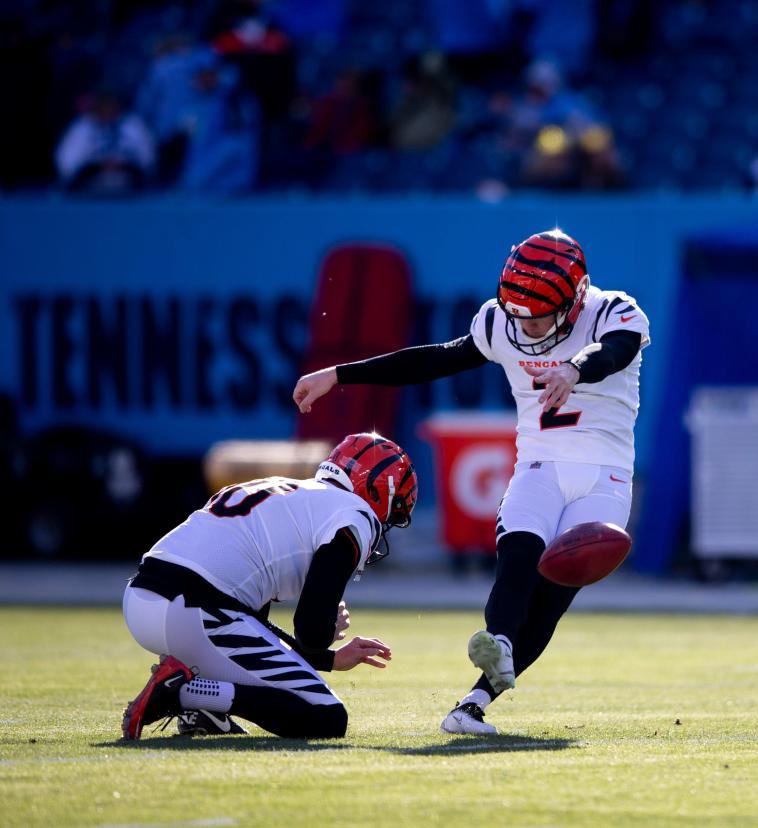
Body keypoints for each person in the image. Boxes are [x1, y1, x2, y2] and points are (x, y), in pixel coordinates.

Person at [292, 229, 650, 735]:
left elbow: (614, 350)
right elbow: (436, 358)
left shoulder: (613, 310)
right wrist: (340, 373)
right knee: (518, 560)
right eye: (518, 314)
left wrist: (573, 368)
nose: (526, 325)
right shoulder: (502, 319)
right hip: (539, 465)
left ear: (576, 297)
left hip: (604, 478)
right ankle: (497, 643)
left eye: (541, 315)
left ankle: (476, 701)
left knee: (550, 598)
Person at [119, 433, 416, 740]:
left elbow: (253, 624)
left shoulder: (288, 495)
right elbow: (311, 629)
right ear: (379, 492)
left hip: (145, 600)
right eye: (392, 513)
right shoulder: (354, 514)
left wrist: (328, 660)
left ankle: (206, 708)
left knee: (244, 652)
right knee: (326, 716)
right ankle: (185, 693)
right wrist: (325, 629)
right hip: (196, 610)